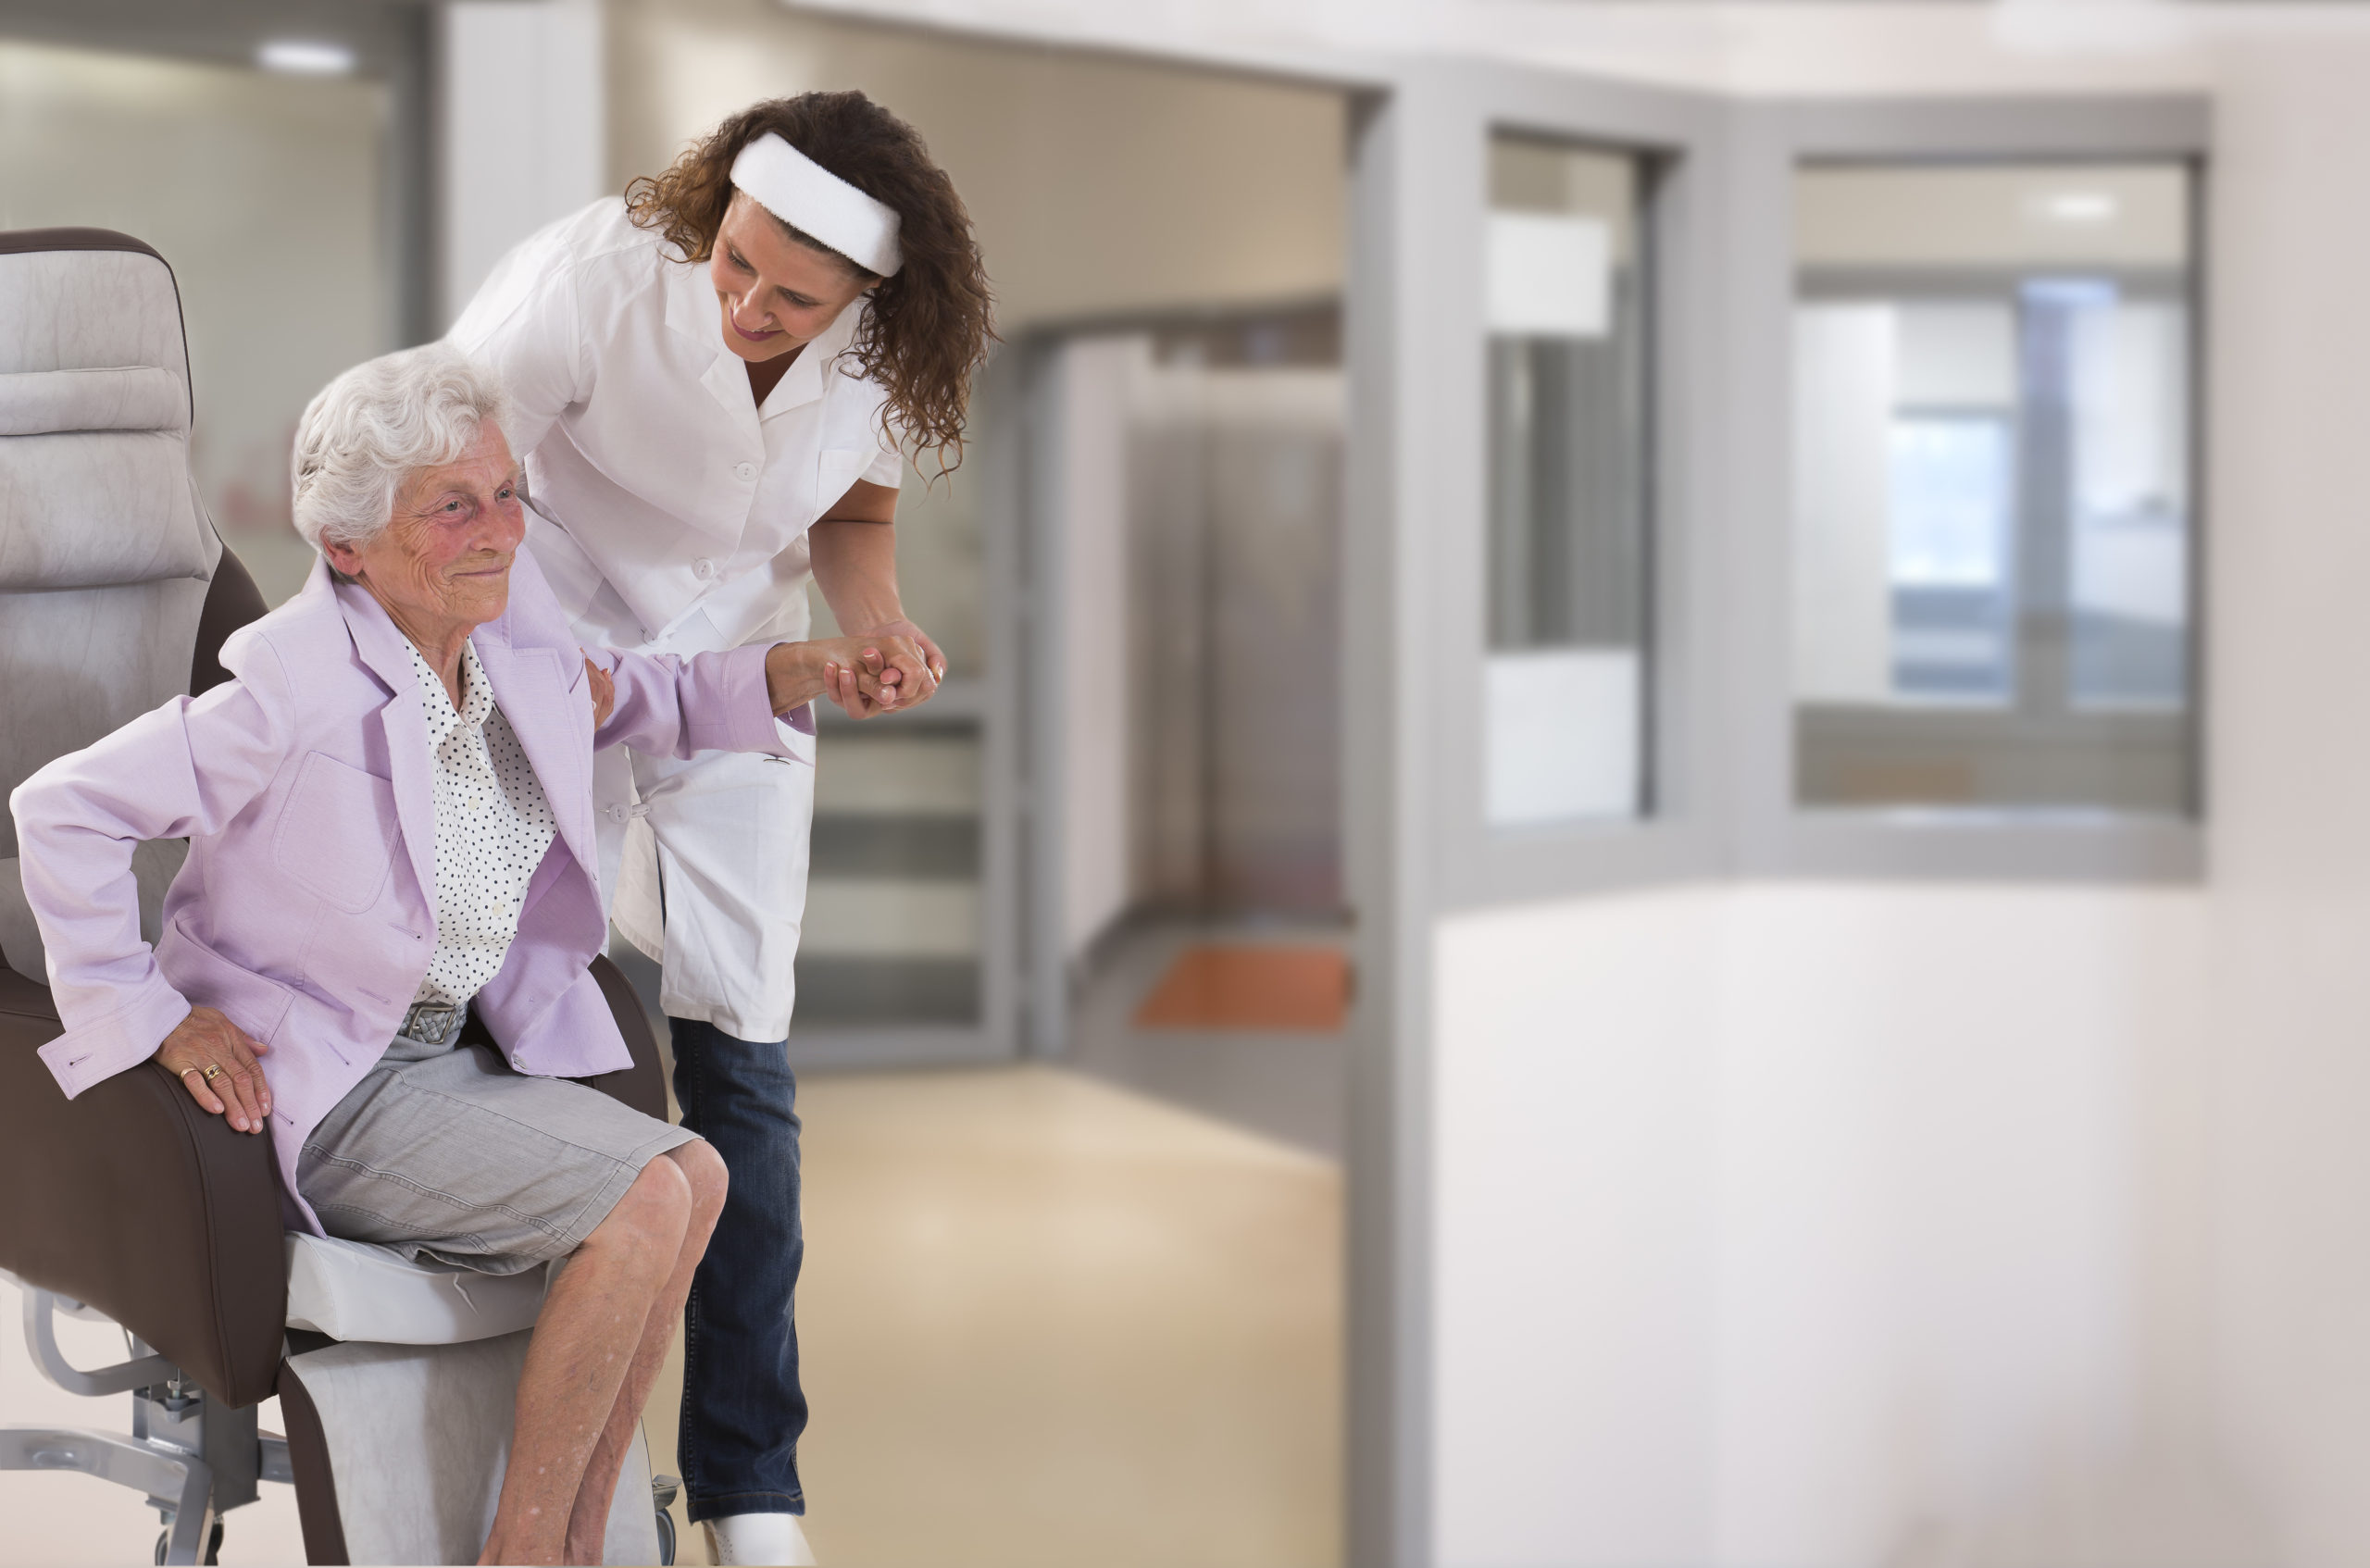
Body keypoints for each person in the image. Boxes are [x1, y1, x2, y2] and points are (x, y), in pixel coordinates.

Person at [7, 345, 918, 1567]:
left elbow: (628, 696)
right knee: (653, 1193)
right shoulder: (289, 694)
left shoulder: (508, 630)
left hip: (451, 1048)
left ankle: (576, 1540)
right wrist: (149, 1012)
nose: (500, 530)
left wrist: (801, 669)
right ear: (349, 547)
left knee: (698, 1176)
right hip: (326, 1082)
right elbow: (63, 810)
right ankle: (526, 1552)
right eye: (453, 506)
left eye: (505, 492)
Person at [448, 91, 994, 1564]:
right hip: (549, 635)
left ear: (867, 301)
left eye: (791, 295)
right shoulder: (598, 272)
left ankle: (753, 1488)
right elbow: (450, 455)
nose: (749, 300)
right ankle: (529, 1453)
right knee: (509, 1003)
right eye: (736, 265)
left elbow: (855, 519)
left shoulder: (881, 357)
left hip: (743, 664)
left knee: (744, 1051)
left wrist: (875, 627)